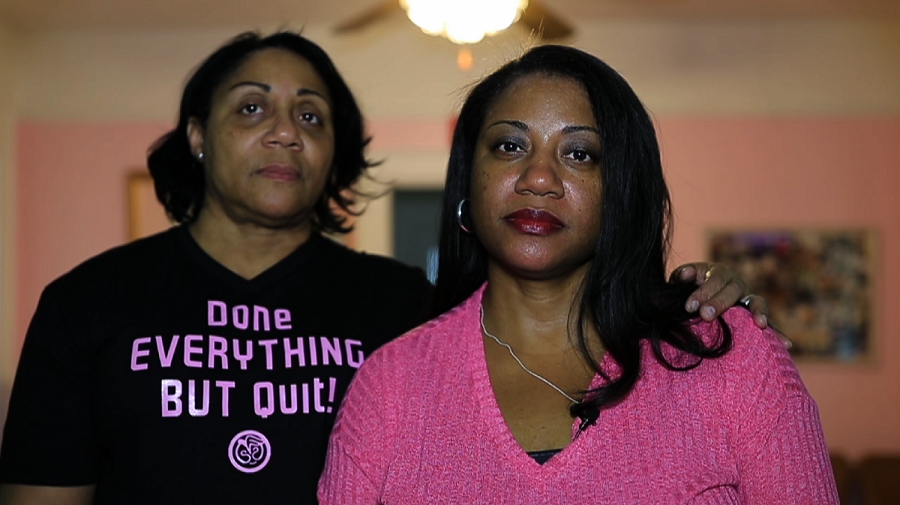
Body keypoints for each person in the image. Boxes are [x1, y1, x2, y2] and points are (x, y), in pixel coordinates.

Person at [0, 32, 766, 505]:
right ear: (198, 135)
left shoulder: (403, 305)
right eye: (252, 108)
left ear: (335, 151)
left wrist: (692, 299)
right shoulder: (87, 303)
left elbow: (548, 325)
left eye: (311, 116)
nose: (284, 133)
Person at [318, 45, 837, 504]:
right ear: (468, 181)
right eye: (510, 146)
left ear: (621, 191)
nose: (539, 178)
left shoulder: (730, 359)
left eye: (579, 154)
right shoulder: (389, 386)